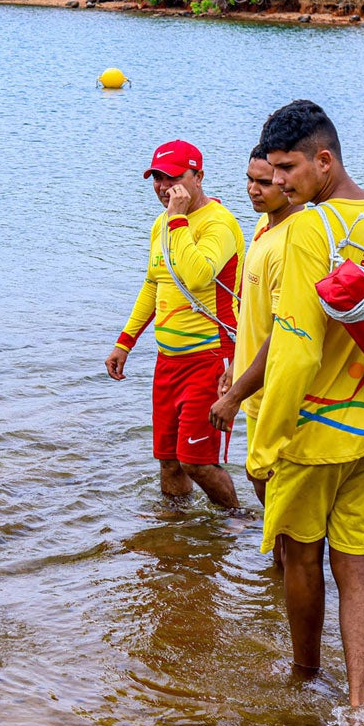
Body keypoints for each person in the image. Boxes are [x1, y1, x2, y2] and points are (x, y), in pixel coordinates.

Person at [248, 100, 364, 715]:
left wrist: (264, 444)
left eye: (288, 168)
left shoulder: (310, 229)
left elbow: (295, 347)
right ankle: (360, 704)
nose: (280, 181)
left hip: (315, 428)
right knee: (356, 565)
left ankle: (306, 675)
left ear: (324, 160)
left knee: (301, 556)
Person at [105, 140, 244, 509]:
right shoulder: (161, 224)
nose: (164, 187)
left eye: (174, 178)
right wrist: (125, 341)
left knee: (196, 463)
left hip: (209, 359)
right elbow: (154, 283)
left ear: (198, 176)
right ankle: (175, 536)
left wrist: (179, 219)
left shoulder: (219, 223)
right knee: (168, 460)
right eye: (156, 179)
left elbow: (199, 277)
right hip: (168, 360)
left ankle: (235, 520)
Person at [209, 144, 304, 546]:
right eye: (248, 179)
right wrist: (233, 364)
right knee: (264, 484)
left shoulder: (291, 242)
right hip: (251, 381)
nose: (252, 189)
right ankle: (274, 584)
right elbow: (252, 311)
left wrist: (233, 398)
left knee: (270, 482)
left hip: (275, 388)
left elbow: (284, 330)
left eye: (263, 182)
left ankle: (286, 567)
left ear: (287, 182)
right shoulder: (265, 227)